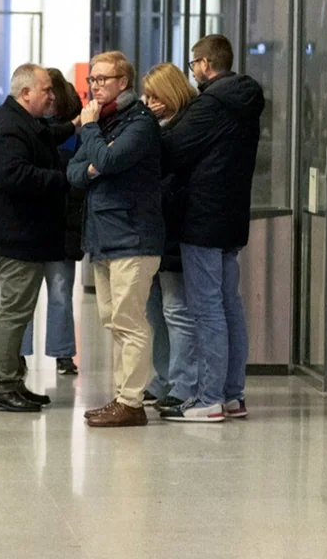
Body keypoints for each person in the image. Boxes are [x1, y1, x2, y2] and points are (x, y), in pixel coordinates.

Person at [158, 35, 264, 423]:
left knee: (207, 309)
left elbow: (173, 151)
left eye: (193, 65)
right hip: (232, 216)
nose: (193, 72)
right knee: (229, 306)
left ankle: (208, 399)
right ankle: (233, 395)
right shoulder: (246, 101)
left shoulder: (211, 104)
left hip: (202, 217)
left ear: (204, 63)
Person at [67, 50, 164, 428]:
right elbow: (74, 172)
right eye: (92, 79)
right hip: (104, 238)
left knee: (130, 321)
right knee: (112, 319)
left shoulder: (138, 123)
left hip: (133, 238)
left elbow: (108, 163)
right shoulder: (106, 123)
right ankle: (123, 396)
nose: (95, 86)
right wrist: (95, 158)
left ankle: (132, 401)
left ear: (123, 82)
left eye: (102, 79)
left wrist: (91, 137)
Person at [0, 64, 66, 412]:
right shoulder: (10, 128)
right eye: (46, 89)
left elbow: (46, 137)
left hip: (22, 233)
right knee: (14, 312)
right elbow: (15, 175)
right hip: (15, 235)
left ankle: (12, 379)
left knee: (20, 310)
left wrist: (74, 127)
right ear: (26, 92)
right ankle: (0, 384)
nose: (52, 95)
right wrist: (64, 179)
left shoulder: (21, 121)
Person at [139, 63, 198, 411]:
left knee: (176, 309)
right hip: (156, 230)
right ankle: (162, 379)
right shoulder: (160, 127)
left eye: (154, 96)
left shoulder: (184, 129)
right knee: (155, 310)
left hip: (175, 228)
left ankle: (182, 383)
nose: (149, 103)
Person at [20, 68, 84, 376]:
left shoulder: (32, 128)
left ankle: (21, 352)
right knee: (60, 293)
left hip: (38, 221)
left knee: (26, 294)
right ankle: (62, 355)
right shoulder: (75, 130)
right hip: (62, 222)